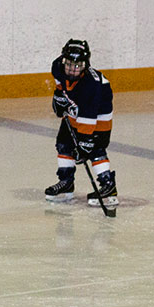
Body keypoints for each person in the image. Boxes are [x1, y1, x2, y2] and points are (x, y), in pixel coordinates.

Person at [44, 39, 117, 207]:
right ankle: (66, 183)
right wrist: (59, 98)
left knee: (94, 148)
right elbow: (60, 87)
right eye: (69, 64)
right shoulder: (57, 67)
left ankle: (108, 185)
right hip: (75, 110)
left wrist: (84, 141)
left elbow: (89, 114)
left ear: (86, 64)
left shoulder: (91, 84)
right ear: (63, 61)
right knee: (64, 143)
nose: (73, 69)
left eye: (78, 65)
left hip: (98, 117)